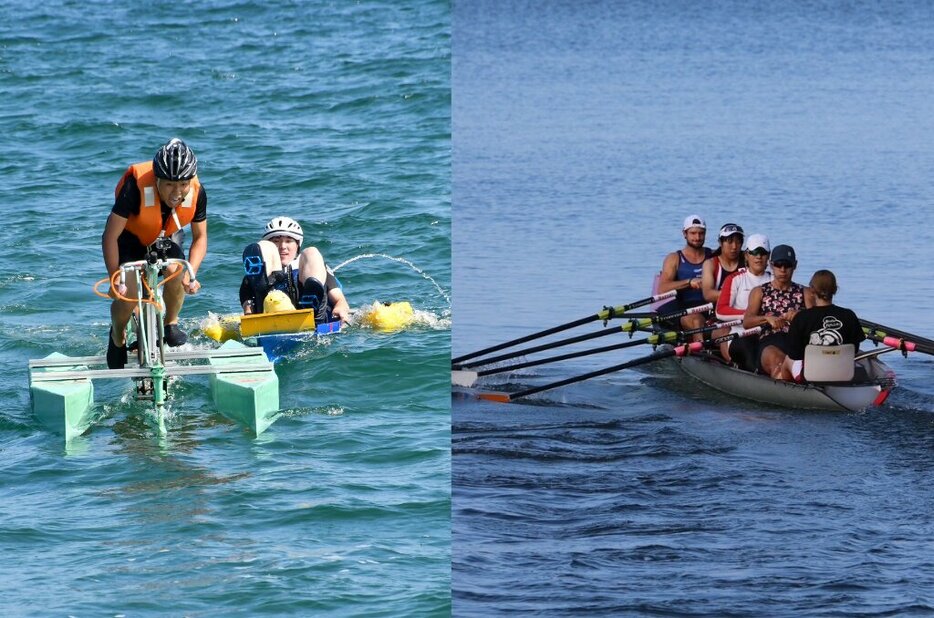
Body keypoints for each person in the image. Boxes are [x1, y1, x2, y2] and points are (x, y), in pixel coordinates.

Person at [101, 138, 206, 369]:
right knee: (126, 294)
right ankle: (117, 335)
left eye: (183, 185)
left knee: (177, 269)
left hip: (165, 236)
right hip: (130, 238)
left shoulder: (197, 192)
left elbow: (200, 238)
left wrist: (192, 274)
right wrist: (114, 278)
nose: (176, 192)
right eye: (169, 184)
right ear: (157, 179)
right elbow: (110, 236)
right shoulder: (134, 188)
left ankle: (171, 323)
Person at [239, 216, 351, 324]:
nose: (282, 246)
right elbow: (247, 308)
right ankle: (271, 301)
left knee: (312, 252)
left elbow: (340, 301)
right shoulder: (253, 275)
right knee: (258, 270)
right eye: (276, 241)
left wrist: (341, 309)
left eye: (288, 241)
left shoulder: (314, 265)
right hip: (269, 319)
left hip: (313, 318)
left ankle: (310, 302)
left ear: (297, 245)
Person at [742, 244, 815, 379]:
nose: (783, 270)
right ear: (771, 265)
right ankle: (784, 379)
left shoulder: (806, 292)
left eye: (787, 265)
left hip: (797, 342)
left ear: (795, 265)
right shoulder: (759, 292)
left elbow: (816, 324)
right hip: (770, 342)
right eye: (778, 265)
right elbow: (747, 322)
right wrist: (767, 319)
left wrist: (801, 316)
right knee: (778, 361)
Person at [782, 269, 865, 379]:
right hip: (843, 373)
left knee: (787, 359)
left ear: (812, 291)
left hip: (811, 375)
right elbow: (854, 349)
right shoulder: (849, 315)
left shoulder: (801, 317)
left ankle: (790, 391)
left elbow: (794, 354)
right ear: (835, 290)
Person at [714, 233, 772, 370]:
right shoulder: (735, 279)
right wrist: (750, 316)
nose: (759, 257)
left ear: (768, 256)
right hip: (739, 334)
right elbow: (720, 311)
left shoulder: (775, 279)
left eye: (763, 253)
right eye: (754, 252)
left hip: (766, 335)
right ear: (746, 255)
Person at [656, 214, 712, 334]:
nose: (697, 237)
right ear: (684, 234)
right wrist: (689, 282)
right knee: (696, 320)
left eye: (701, 233)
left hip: (710, 307)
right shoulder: (674, 258)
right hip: (684, 309)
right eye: (693, 233)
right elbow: (662, 288)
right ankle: (700, 348)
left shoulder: (713, 255)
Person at [701, 223, 745, 304]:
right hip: (718, 311)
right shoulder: (710, 264)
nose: (734, 246)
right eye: (729, 242)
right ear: (720, 243)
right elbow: (708, 294)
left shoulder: (748, 261)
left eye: (738, 242)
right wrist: (740, 295)